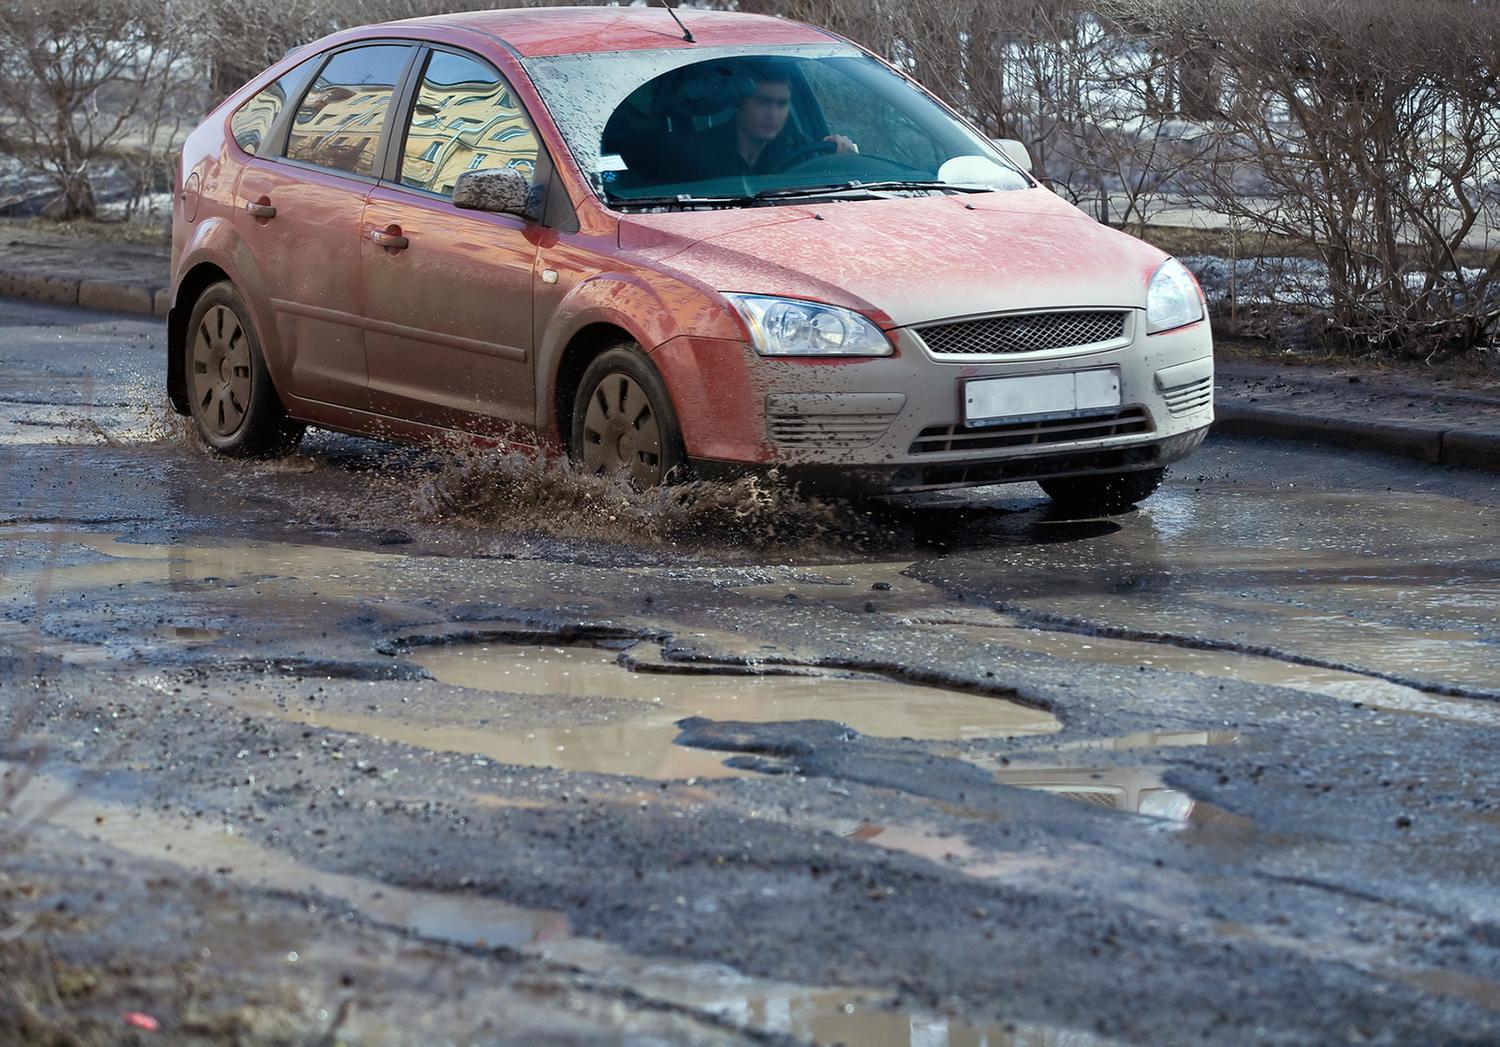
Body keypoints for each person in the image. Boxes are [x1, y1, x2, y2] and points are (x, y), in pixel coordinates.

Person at [692, 64, 857, 178]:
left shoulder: (800, 149)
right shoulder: (699, 151)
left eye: (782, 103)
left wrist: (841, 161)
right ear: (739, 102)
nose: (773, 113)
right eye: (763, 102)